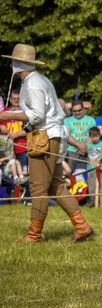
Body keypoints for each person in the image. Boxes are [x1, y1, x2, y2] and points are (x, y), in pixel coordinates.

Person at [0, 43, 93, 243]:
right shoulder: (38, 80)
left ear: (19, 64)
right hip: (53, 135)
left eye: (13, 62)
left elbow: (37, 115)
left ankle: (34, 235)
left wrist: (7, 115)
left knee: (38, 188)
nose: (11, 66)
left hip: (46, 139)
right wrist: (23, 132)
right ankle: (81, 226)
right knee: (56, 186)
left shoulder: (32, 83)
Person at [64, 99, 96, 173]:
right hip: (72, 151)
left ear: (83, 109)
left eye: (79, 110)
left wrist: (84, 146)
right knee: (71, 175)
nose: (77, 112)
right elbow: (67, 135)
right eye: (74, 111)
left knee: (93, 174)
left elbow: (93, 135)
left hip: (90, 150)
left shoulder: (91, 120)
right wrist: (79, 145)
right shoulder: (67, 120)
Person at [1, 89, 28, 175]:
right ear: (10, 100)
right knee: (9, 174)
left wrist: (16, 134)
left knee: (23, 175)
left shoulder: (25, 113)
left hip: (22, 148)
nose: (16, 100)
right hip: (7, 150)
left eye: (18, 99)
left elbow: (30, 130)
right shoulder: (4, 113)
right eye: (14, 98)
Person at [86, 126, 102, 207]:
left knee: (99, 189)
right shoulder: (88, 146)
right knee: (91, 189)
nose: (95, 138)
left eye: (96, 136)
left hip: (99, 170)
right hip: (90, 169)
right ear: (90, 137)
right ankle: (94, 204)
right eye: (93, 137)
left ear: (99, 135)